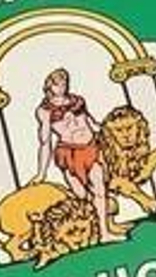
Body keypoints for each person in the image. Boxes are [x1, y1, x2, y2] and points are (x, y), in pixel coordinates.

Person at [33, 68, 123, 243]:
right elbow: (45, 142)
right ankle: (93, 229)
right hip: (69, 153)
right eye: (57, 84)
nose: (62, 87)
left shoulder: (78, 101)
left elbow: (91, 122)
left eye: (64, 82)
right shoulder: (44, 111)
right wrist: (41, 173)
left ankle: (104, 233)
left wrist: (111, 132)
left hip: (90, 148)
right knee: (81, 196)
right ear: (49, 86)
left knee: (100, 190)